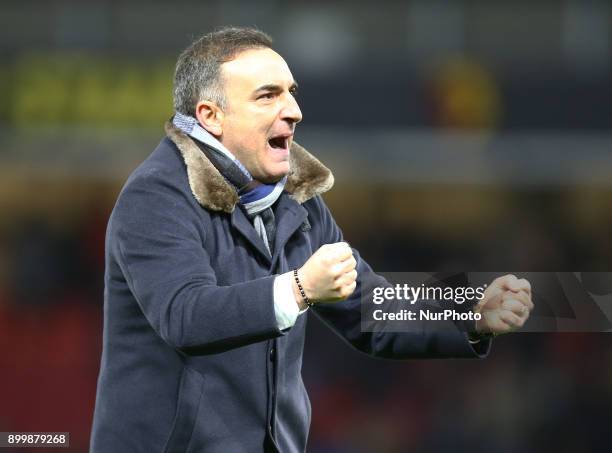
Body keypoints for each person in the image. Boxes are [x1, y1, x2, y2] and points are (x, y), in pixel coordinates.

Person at [90, 27, 533, 453]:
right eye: (268, 95)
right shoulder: (157, 196)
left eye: (291, 92)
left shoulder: (295, 200)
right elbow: (185, 316)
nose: (293, 110)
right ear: (211, 116)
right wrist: (298, 289)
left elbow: (370, 307)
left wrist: (467, 314)